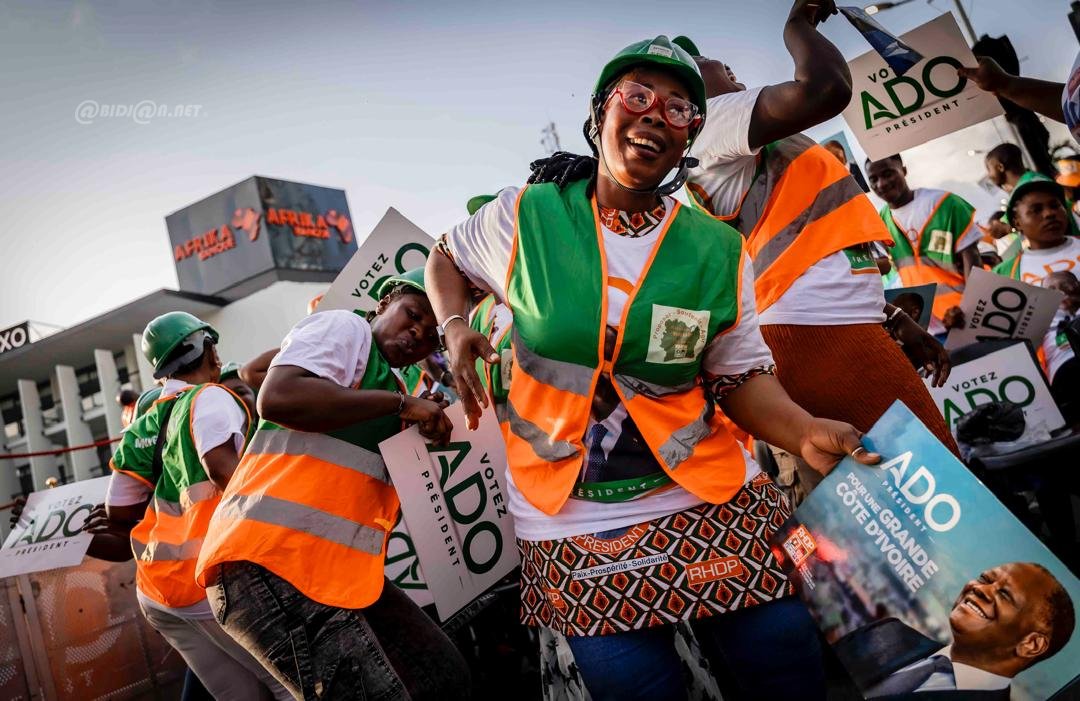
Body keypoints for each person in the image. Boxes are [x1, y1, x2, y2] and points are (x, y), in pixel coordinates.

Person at [426, 34, 883, 701]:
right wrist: (455, 324)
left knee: (785, 659)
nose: (654, 115)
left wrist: (805, 429)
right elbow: (445, 255)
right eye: (636, 96)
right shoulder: (525, 214)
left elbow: (738, 377)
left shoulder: (716, 248)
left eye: (677, 109)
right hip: (571, 514)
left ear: (692, 137)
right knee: (639, 689)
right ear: (598, 113)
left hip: (710, 493)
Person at [675, 2, 956, 498]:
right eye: (710, 65)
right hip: (817, 331)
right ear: (692, 90)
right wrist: (796, 27)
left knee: (895, 501)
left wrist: (886, 317)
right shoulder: (713, 120)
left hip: (826, 324)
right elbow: (826, 88)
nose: (727, 68)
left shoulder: (733, 141)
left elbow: (804, 250)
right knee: (939, 489)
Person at [195, 269, 470, 701]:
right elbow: (279, 397)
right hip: (271, 566)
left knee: (443, 678)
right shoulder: (347, 328)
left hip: (327, 574)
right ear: (383, 305)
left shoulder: (391, 386)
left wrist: (418, 428)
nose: (417, 332)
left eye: (431, 335)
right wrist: (401, 405)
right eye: (412, 314)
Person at [106, 311, 289, 700]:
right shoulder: (209, 397)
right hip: (206, 584)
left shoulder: (144, 421)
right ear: (201, 349)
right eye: (212, 346)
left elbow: (118, 510)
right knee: (291, 684)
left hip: (156, 591)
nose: (218, 356)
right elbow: (226, 473)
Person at [834, 562, 1075, 698]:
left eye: (1004, 594)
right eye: (984, 577)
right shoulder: (889, 632)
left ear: (1031, 644)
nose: (980, 588)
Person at [993, 174, 1080, 420]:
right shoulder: (1006, 274)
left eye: (1055, 205)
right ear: (1017, 222)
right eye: (1036, 210)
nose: (1050, 214)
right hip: (1061, 371)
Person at [867, 154, 982, 337]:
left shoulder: (944, 203)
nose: (881, 184)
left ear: (904, 170)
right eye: (873, 179)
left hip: (966, 317)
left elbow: (973, 260)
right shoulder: (881, 220)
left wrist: (972, 308)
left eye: (888, 174)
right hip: (929, 327)